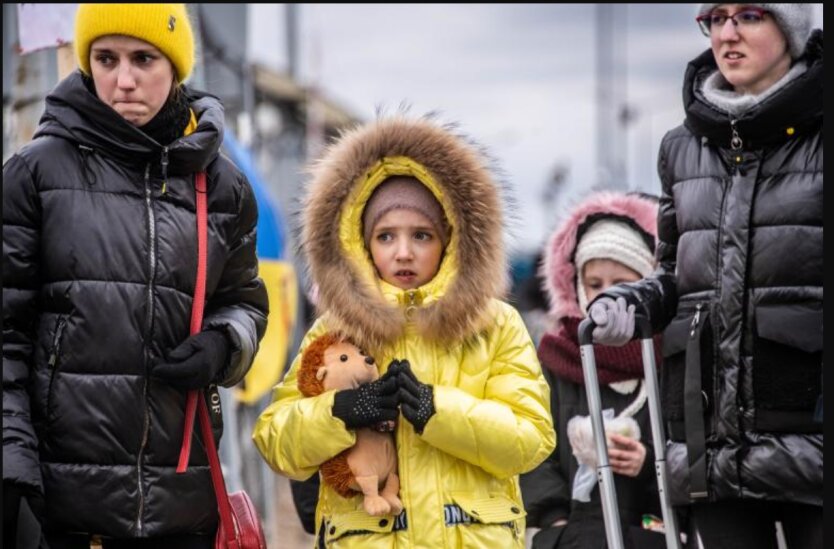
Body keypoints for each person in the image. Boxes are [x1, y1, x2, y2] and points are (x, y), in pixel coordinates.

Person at [2, 4, 269, 548]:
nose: (123, 80)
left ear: (175, 66)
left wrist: (224, 344)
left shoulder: (222, 187)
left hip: (182, 504)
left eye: (143, 58)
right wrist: (12, 467)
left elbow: (246, 303)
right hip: (61, 511)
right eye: (106, 58)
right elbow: (6, 335)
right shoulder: (33, 174)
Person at [253, 115, 556, 548]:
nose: (404, 252)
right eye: (386, 236)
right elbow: (275, 440)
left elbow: (531, 439)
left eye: (421, 234)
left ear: (450, 239)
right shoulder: (336, 330)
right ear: (361, 242)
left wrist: (438, 410)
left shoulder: (496, 325)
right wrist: (340, 411)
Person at [587, 4, 822, 548]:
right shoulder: (681, 145)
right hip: (710, 441)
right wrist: (635, 301)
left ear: (788, 28)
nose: (728, 33)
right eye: (715, 18)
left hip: (811, 434)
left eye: (749, 15)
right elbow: (674, 272)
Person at [519, 192, 665, 549]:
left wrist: (649, 463)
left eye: (622, 284)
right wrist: (555, 520)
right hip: (571, 535)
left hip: (650, 531)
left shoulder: (667, 355)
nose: (606, 297)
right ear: (577, 288)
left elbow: (690, 445)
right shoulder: (557, 357)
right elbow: (533, 445)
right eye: (595, 284)